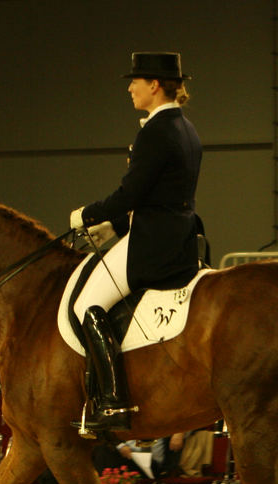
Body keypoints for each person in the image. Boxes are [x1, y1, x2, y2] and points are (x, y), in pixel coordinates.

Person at [69, 51, 203, 432]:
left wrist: (86, 215)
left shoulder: (155, 132)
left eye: (135, 81)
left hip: (152, 242)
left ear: (154, 85)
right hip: (181, 236)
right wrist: (112, 226)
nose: (130, 88)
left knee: (87, 304)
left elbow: (129, 195)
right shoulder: (186, 128)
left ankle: (111, 401)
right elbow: (154, 192)